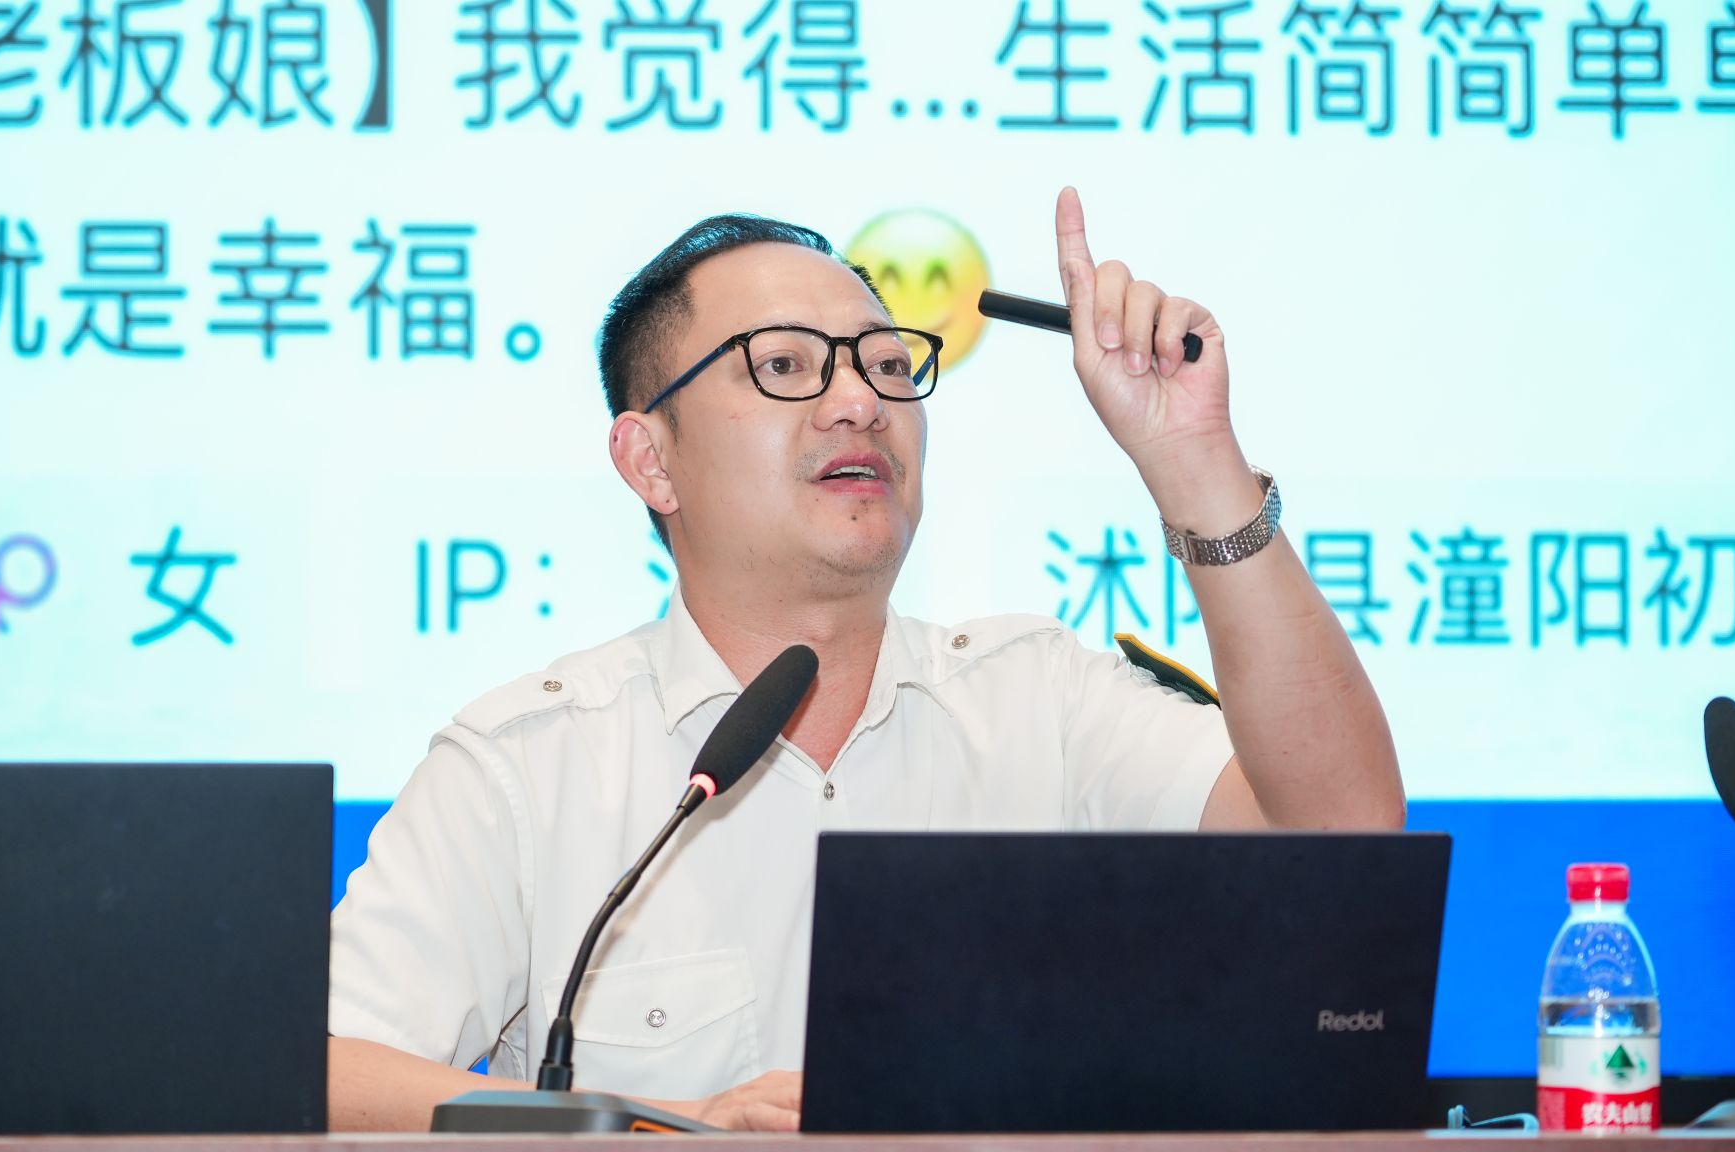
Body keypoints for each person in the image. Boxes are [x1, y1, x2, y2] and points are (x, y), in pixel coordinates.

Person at [326, 188, 1404, 1132]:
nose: (860, 402)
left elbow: (1343, 845)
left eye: (887, 365)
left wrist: (1195, 462)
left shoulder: (1042, 700)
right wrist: (653, 1129)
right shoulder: (528, 764)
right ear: (649, 459)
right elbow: (324, 1069)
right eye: (784, 366)